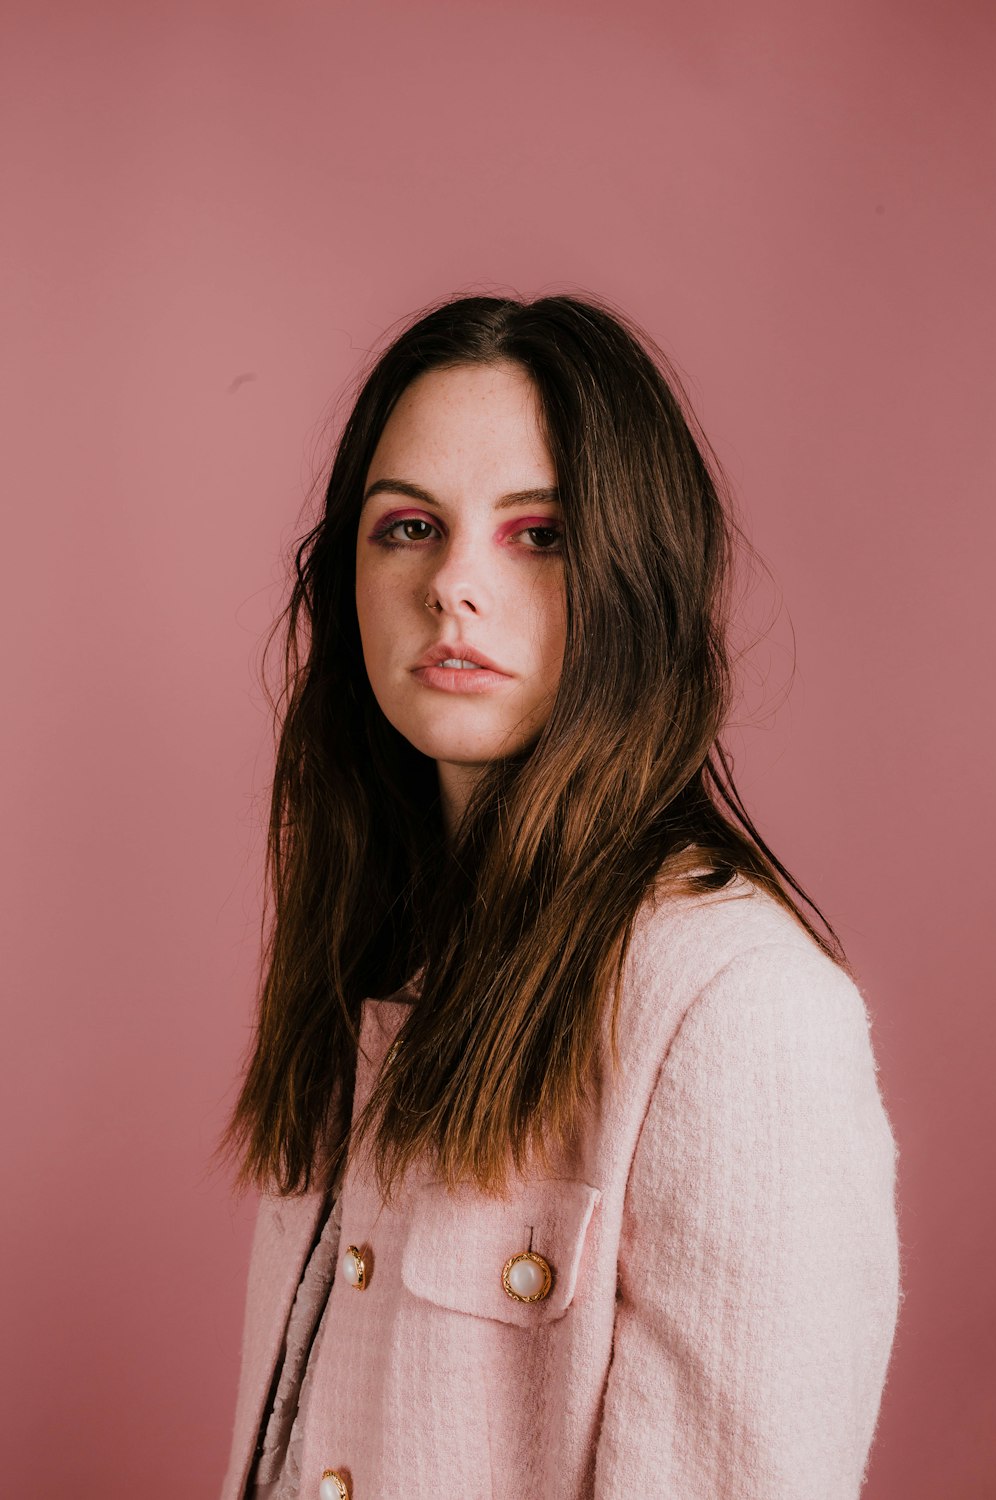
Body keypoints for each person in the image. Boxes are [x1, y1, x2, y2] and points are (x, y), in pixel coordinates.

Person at [217, 292, 900, 1500]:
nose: (452, 587)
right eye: (408, 527)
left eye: (539, 534)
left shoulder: (739, 1008)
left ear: (640, 575)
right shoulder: (368, 955)